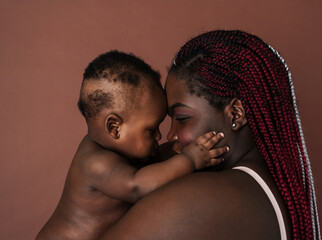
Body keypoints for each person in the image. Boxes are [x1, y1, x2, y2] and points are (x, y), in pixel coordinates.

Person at [100, 30, 321, 240]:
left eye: (182, 118)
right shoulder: (268, 190)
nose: (171, 136)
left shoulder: (203, 198)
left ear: (235, 114)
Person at [35, 50, 229, 240]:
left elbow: (158, 167)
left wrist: (182, 148)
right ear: (114, 128)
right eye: (152, 130)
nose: (161, 135)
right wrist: (191, 159)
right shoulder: (95, 163)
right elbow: (137, 186)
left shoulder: (126, 152)